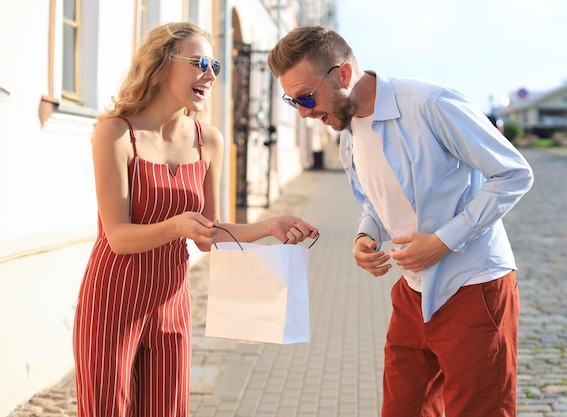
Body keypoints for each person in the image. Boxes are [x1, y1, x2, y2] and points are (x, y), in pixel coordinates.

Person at [268, 26, 533, 417]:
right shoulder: (345, 129)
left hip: (474, 288)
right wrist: (366, 234)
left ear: (342, 75)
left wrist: (443, 241)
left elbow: (513, 173)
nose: (305, 112)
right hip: (412, 295)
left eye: (307, 97)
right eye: (294, 103)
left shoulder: (429, 103)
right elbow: (377, 199)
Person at [73, 22, 318, 416]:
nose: (210, 75)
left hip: (172, 301)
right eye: (200, 62)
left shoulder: (210, 140)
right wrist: (175, 227)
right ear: (161, 65)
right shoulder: (116, 135)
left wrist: (267, 226)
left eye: (215, 66)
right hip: (113, 300)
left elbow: (208, 234)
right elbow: (117, 237)